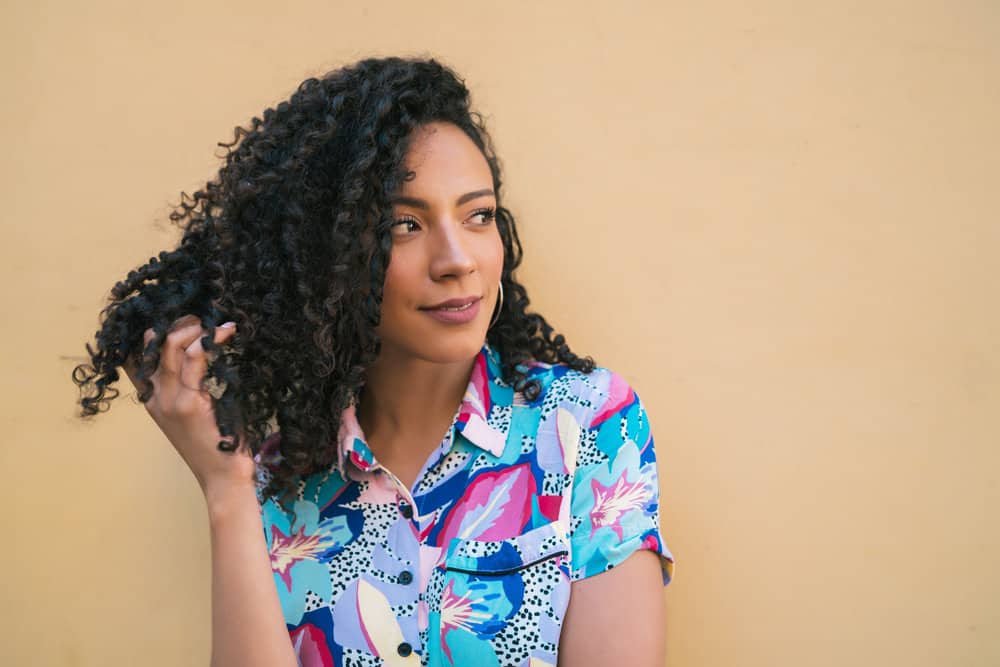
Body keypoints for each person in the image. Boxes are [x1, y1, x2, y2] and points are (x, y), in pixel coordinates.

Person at [73, 56, 675, 667]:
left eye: (479, 216)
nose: (456, 259)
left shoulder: (587, 425)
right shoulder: (274, 479)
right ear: (329, 254)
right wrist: (225, 490)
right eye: (405, 225)